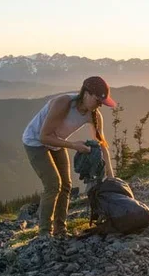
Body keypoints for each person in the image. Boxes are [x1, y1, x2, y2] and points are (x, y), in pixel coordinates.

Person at [22, 75, 117, 238]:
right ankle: (44, 232)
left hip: (56, 142)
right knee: (53, 184)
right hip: (35, 142)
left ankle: (60, 230)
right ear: (86, 93)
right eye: (97, 100)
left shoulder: (93, 115)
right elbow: (44, 137)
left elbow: (102, 144)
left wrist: (110, 175)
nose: (100, 105)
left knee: (66, 185)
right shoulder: (64, 103)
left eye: (103, 102)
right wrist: (74, 145)